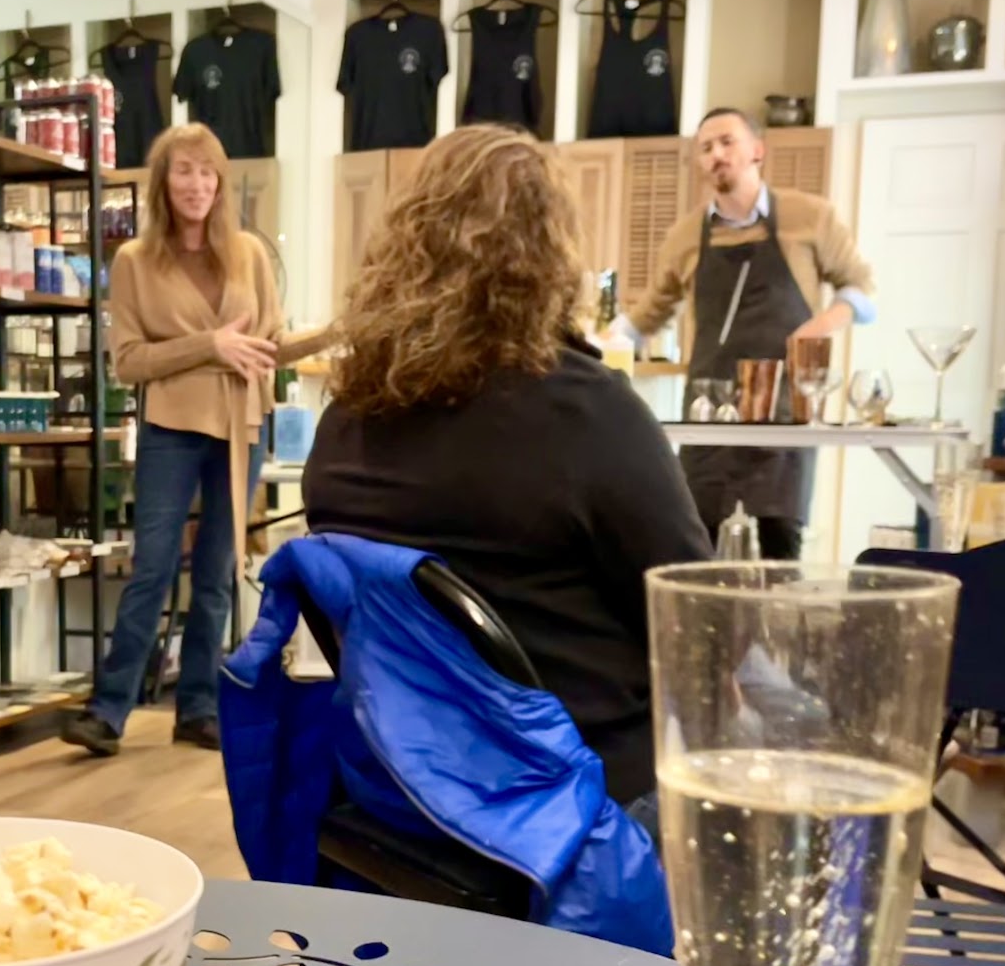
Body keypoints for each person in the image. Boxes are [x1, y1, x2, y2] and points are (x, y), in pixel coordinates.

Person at [303, 124, 710, 809]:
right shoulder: (590, 415)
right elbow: (696, 624)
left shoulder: (345, 421)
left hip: (400, 785)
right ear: (551, 256)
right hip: (574, 800)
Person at [62, 124, 330, 758]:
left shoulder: (249, 255)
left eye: (208, 172)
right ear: (164, 181)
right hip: (170, 427)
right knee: (152, 568)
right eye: (184, 170)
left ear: (220, 183)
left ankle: (199, 708)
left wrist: (336, 332)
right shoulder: (134, 261)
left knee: (216, 574)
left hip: (240, 424)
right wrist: (210, 345)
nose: (197, 184)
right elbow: (129, 361)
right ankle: (109, 710)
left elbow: (268, 347)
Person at [622, 107, 878, 560]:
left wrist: (817, 328)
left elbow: (863, 290)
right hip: (708, 414)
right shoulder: (684, 236)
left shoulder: (809, 217)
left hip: (782, 416)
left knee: (778, 549)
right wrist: (599, 345)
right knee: (696, 549)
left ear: (757, 150)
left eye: (727, 142)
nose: (716, 154)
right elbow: (650, 313)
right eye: (706, 148)